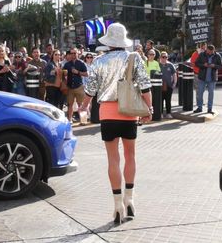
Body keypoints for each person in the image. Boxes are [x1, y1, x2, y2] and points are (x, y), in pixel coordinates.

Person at [78, 23, 153, 224]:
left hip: (107, 113)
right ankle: (130, 200)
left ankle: (117, 205)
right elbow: (145, 86)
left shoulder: (98, 61)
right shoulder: (133, 58)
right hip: (128, 112)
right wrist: (149, 109)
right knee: (130, 155)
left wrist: (83, 107)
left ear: (109, 42)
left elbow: (90, 90)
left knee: (113, 159)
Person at [194, 44, 222, 114]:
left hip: (212, 79)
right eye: (209, 52)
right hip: (202, 78)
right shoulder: (202, 55)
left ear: (213, 50)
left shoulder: (217, 56)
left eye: (211, 52)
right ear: (207, 50)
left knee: (211, 94)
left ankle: (209, 109)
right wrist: (204, 65)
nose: (210, 53)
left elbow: (221, 66)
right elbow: (196, 63)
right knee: (200, 93)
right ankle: (199, 107)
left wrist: (214, 66)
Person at [63, 48, 88, 125]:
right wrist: (64, 74)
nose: (73, 55)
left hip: (79, 87)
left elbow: (86, 74)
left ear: (78, 54)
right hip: (70, 87)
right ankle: (70, 119)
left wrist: (78, 72)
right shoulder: (67, 64)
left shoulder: (81, 63)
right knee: (70, 104)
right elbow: (63, 74)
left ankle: (83, 120)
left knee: (81, 104)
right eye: (72, 53)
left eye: (75, 53)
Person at [159, 51, 177, 119]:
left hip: (169, 86)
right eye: (163, 57)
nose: (165, 58)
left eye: (166, 57)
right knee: (160, 100)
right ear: (160, 57)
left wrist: (174, 83)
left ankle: (168, 113)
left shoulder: (170, 65)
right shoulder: (158, 65)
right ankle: (160, 113)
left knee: (168, 100)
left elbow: (174, 74)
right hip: (160, 86)